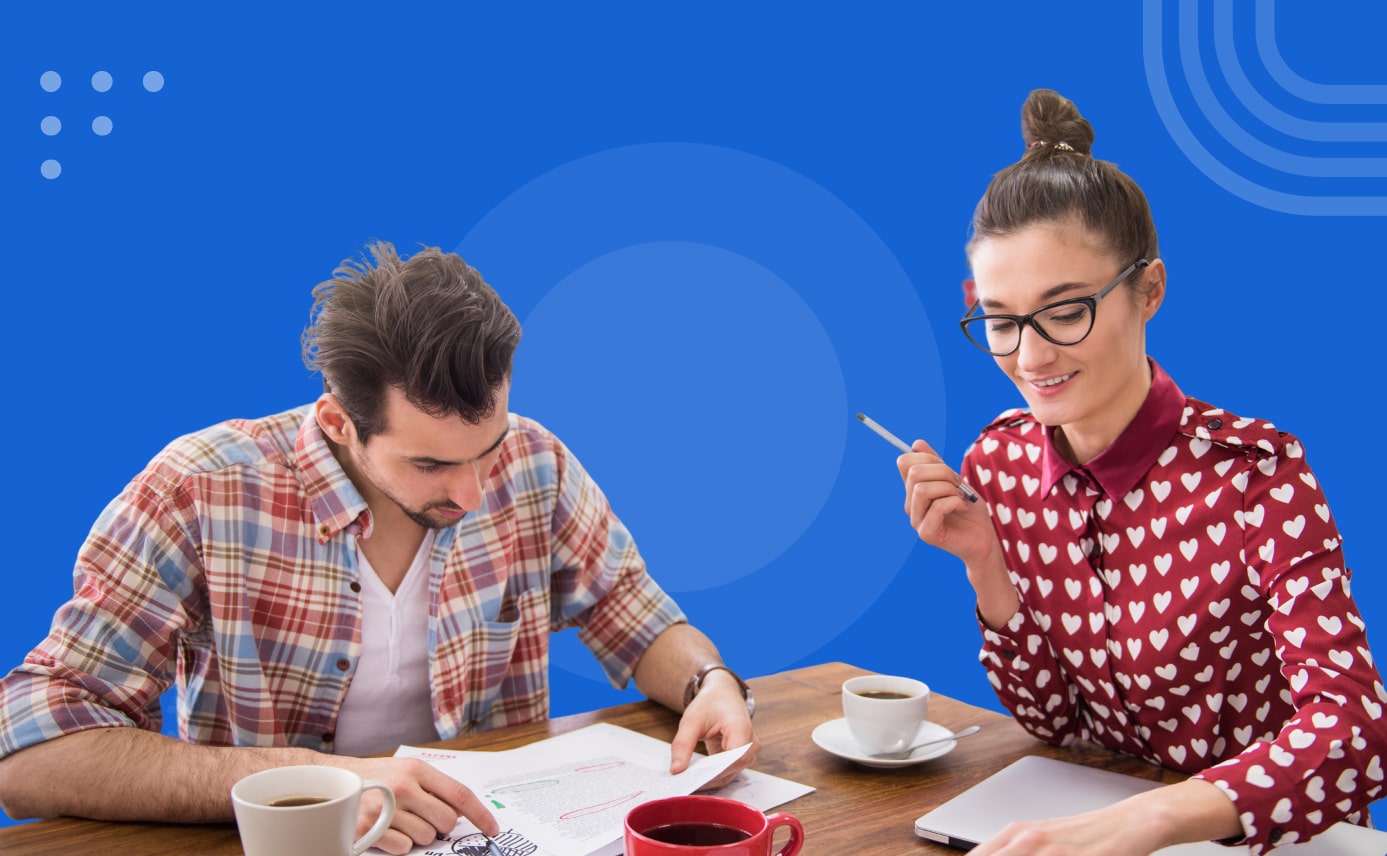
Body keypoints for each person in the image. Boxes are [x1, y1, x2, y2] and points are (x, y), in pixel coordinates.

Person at [0, 242, 758, 854]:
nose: (469, 493)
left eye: (485, 448)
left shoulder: (535, 463)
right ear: (336, 422)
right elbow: (27, 753)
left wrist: (709, 680)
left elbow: (631, 611)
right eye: (429, 464)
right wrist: (324, 781)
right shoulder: (200, 491)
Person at [898, 89, 1387, 855]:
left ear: (1148, 290)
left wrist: (1150, 821)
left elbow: (1355, 729)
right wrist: (986, 565)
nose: (1029, 359)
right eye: (1000, 320)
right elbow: (1053, 725)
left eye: (1065, 312)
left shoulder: (1257, 474)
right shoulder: (994, 464)